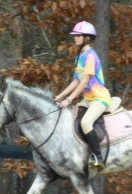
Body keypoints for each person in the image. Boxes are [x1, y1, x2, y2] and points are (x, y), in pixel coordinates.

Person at [54, 21, 111, 171]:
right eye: (75, 35)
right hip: (88, 98)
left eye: (78, 35)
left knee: (86, 123)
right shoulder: (79, 57)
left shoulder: (91, 56)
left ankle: (98, 158)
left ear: (87, 38)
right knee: (70, 117)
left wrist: (69, 99)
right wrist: (59, 96)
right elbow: (76, 81)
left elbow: (84, 81)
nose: (75, 38)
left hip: (99, 98)